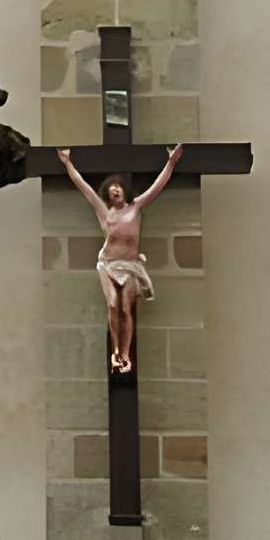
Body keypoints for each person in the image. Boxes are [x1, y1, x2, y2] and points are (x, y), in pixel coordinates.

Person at [56, 143, 185, 374]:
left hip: (131, 265)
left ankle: (126, 355)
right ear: (108, 193)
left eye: (119, 187)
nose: (115, 191)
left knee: (126, 309)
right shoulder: (105, 212)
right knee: (113, 304)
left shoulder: (136, 207)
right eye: (111, 189)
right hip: (108, 264)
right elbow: (83, 186)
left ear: (125, 190)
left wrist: (171, 162)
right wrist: (67, 163)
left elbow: (158, 186)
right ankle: (115, 353)